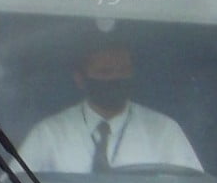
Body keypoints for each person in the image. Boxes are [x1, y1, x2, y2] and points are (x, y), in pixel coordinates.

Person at [18, 44, 201, 173]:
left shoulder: (163, 130)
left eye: (123, 71)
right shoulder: (50, 132)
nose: (115, 79)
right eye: (105, 72)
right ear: (80, 79)